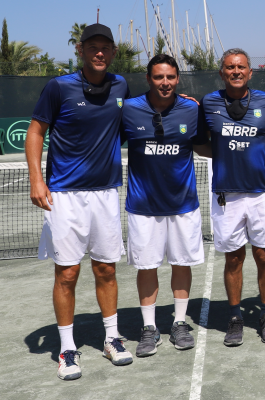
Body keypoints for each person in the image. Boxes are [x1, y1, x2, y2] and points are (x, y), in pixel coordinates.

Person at [25, 23, 132, 380]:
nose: (99, 52)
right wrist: (37, 180)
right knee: (67, 273)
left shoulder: (121, 86)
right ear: (80, 50)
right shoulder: (58, 87)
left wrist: (184, 102)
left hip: (105, 193)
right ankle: (67, 349)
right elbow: (35, 131)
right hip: (64, 195)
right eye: (92, 47)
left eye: (105, 47)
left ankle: (112, 339)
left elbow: (143, 114)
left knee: (106, 269)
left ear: (113, 52)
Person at [121, 54, 212, 357]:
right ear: (148, 79)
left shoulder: (191, 109)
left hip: (183, 204)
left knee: (181, 263)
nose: (165, 83)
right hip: (142, 206)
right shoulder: (129, 109)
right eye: (159, 77)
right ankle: (149, 328)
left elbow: (202, 144)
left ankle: (179, 322)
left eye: (170, 77)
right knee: (147, 267)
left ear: (177, 79)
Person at [201, 48, 265, 346]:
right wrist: (224, 152)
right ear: (221, 72)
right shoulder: (208, 103)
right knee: (233, 258)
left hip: (261, 192)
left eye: (240, 67)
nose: (235, 71)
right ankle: (235, 317)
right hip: (227, 194)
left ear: (250, 72)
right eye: (229, 67)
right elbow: (198, 141)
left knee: (264, 255)